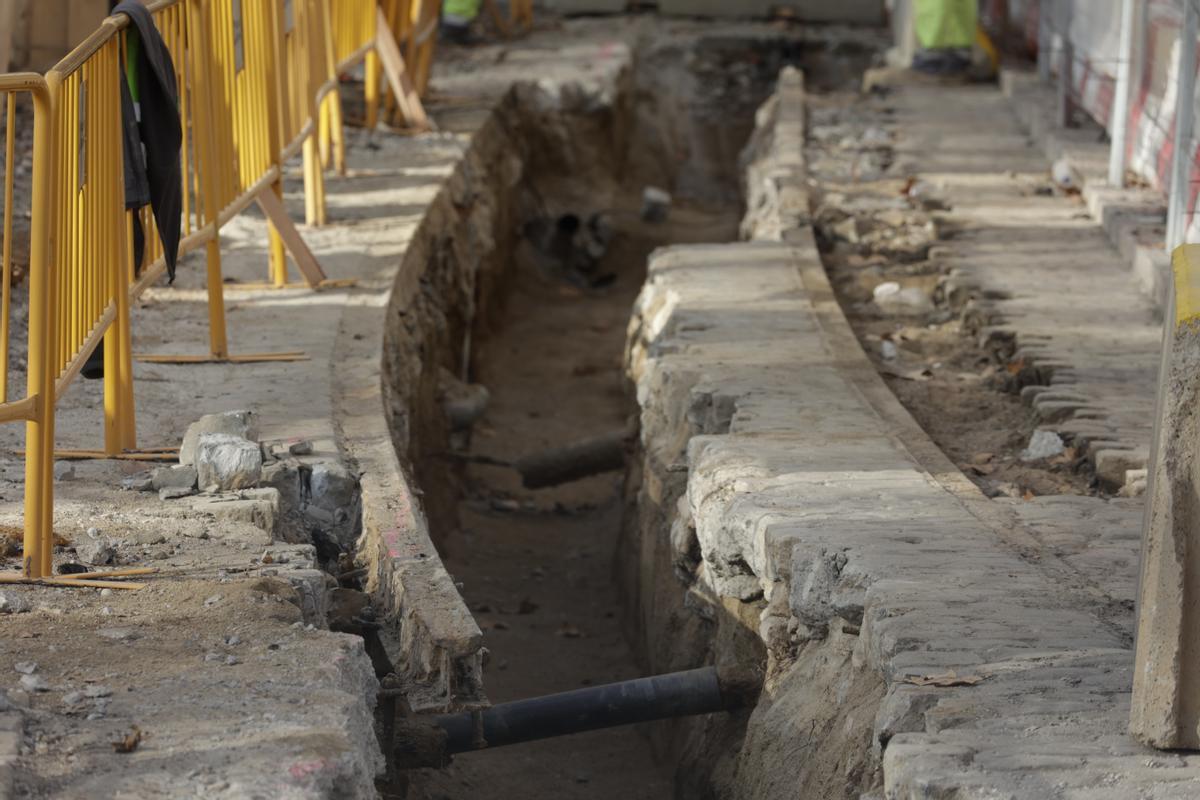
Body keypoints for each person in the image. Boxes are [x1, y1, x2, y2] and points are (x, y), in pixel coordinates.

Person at [912, 0, 977, 76]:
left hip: (933, 51)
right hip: (962, 51)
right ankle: (959, 53)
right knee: (962, 6)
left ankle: (933, 53)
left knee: (935, 4)